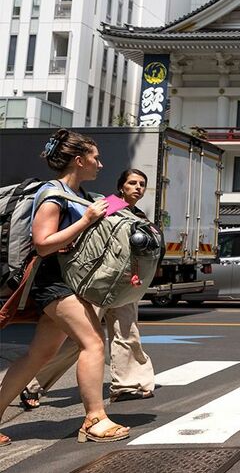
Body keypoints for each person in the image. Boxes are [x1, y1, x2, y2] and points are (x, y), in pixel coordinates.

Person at [0, 129, 130, 445]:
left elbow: (114, 217)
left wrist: (123, 201)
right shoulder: (52, 195)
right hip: (51, 282)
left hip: (68, 281)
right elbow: (42, 244)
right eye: (96, 158)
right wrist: (86, 220)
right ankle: (94, 419)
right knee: (93, 343)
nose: (100, 165)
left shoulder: (84, 196)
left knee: (39, 354)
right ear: (78, 159)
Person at [18, 169, 158, 409]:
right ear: (121, 186)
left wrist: (136, 276)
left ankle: (128, 385)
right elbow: (92, 242)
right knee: (79, 340)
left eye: (142, 184)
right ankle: (32, 383)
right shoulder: (108, 205)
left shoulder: (139, 215)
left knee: (127, 331)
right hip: (100, 282)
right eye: (132, 183)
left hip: (124, 284)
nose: (137, 188)